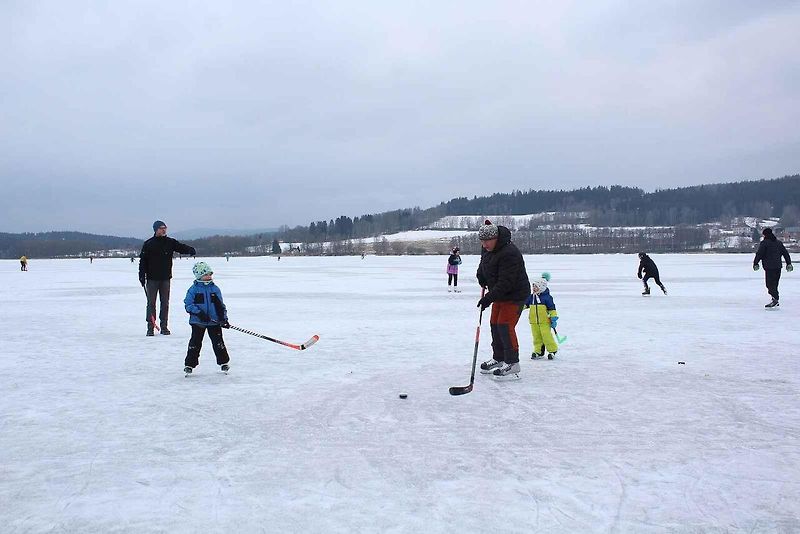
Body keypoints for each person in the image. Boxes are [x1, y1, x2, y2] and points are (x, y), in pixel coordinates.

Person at [475, 220, 531, 378]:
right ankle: (499, 358)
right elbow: (483, 264)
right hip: (499, 293)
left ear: (496, 238)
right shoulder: (486, 248)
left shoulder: (510, 253)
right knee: (494, 324)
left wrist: (488, 299)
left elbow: (506, 283)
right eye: (482, 241)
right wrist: (481, 276)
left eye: (487, 241)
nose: (484, 245)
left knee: (505, 325)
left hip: (515, 294)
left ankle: (513, 362)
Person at [139, 220, 197, 336]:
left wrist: (190, 250)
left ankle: (164, 326)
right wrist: (141, 275)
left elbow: (181, 247)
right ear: (156, 229)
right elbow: (143, 261)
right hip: (152, 279)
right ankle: (150, 327)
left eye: (165, 228)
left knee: (165, 303)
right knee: (151, 303)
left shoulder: (170, 242)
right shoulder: (148, 244)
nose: (164, 230)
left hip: (165, 278)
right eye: (161, 228)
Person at [183, 262, 231, 375]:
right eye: (206, 274)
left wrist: (224, 319)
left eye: (210, 274)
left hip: (214, 322)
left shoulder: (215, 289)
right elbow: (188, 304)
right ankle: (189, 364)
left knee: (218, 342)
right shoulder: (193, 289)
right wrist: (199, 313)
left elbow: (220, 305)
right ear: (199, 276)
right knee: (195, 342)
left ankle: (224, 362)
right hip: (198, 322)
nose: (209, 276)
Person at [753, 227, 793, 308]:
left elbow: (759, 254)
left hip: (769, 267)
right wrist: (788, 263)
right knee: (775, 284)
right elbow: (785, 253)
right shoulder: (778, 243)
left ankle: (775, 299)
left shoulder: (764, 243)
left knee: (769, 285)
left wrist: (755, 263)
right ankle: (775, 299)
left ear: (765, 234)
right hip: (778, 266)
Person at [526, 272, 559, 360]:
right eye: (533, 286)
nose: (533, 288)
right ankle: (538, 351)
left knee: (546, 336)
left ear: (541, 287)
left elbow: (552, 309)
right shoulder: (531, 297)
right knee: (536, 337)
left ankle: (552, 350)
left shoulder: (547, 298)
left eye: (535, 286)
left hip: (545, 321)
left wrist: (553, 318)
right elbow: (525, 305)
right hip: (534, 322)